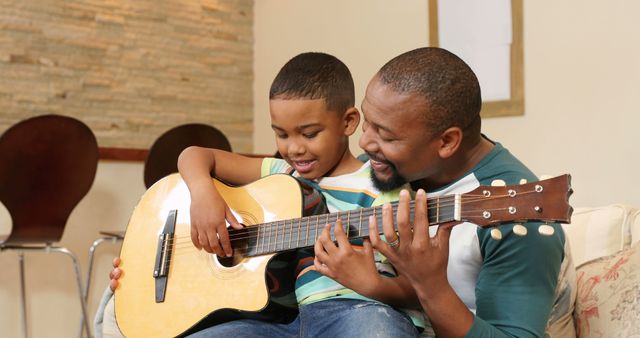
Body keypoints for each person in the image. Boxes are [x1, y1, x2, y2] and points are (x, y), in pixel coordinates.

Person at [99, 52, 422, 338]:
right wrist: (203, 195)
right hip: (283, 322)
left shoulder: (383, 189)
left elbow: (419, 288)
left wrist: (373, 285)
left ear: (349, 122)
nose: (294, 148)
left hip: (358, 310)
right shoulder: (282, 174)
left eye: (310, 134)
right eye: (281, 134)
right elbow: (194, 154)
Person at [313, 47, 576, 338]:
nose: (364, 142)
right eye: (367, 123)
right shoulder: (382, 171)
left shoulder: (518, 215)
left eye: (386, 135)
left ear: (447, 141)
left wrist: (430, 284)